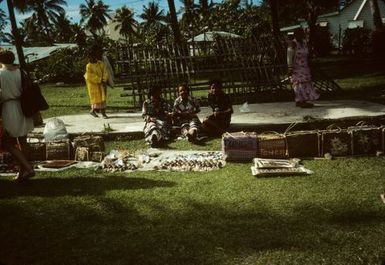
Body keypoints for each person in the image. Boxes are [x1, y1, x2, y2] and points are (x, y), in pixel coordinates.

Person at [0, 50, 35, 182]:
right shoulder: (21, 71)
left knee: (8, 143)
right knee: (22, 141)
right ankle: (22, 172)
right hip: (23, 107)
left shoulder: (1, 74)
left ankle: (28, 168)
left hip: (9, 108)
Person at [287, 28, 319, 108]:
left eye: (302, 34)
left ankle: (302, 100)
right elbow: (289, 56)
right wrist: (290, 67)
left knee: (306, 83)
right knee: (299, 83)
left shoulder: (304, 43)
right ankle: (301, 101)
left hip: (305, 66)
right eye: (299, 34)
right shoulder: (293, 44)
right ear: (295, 35)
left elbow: (308, 54)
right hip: (296, 67)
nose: (300, 36)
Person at [84, 50, 109, 118]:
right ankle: (99, 112)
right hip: (93, 85)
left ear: (95, 57)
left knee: (102, 99)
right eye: (88, 58)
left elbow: (105, 72)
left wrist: (104, 79)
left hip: (101, 84)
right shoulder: (88, 66)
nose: (90, 59)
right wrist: (98, 79)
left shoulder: (101, 64)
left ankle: (99, 112)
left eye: (91, 57)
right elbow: (89, 75)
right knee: (96, 99)